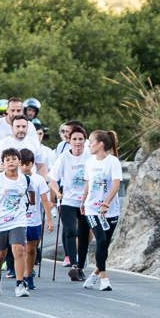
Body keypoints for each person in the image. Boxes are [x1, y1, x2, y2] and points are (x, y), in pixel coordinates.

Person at [0, 148, 34, 297]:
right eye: (7, 159)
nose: (11, 162)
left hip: (18, 220)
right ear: (3, 163)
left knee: (19, 250)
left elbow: (31, 192)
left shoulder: (25, 179)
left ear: (19, 161)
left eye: (14, 159)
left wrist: (32, 202)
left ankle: (20, 284)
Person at [80, 130, 123, 291]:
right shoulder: (89, 162)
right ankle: (104, 278)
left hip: (111, 211)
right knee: (101, 240)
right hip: (92, 209)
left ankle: (94, 274)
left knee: (104, 246)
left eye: (91, 142)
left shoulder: (113, 162)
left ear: (101, 144)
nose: (88, 145)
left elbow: (116, 185)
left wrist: (106, 203)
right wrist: (83, 201)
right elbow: (88, 183)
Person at [48, 125, 90, 280]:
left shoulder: (89, 157)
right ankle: (73, 265)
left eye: (80, 139)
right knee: (71, 231)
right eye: (74, 139)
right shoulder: (64, 157)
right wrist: (58, 193)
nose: (78, 142)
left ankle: (81, 266)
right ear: (69, 141)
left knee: (84, 235)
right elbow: (52, 179)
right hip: (68, 201)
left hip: (86, 202)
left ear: (85, 141)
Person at [19, 149, 53, 290]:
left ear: (33, 164)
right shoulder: (14, 178)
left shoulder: (38, 180)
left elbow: (45, 201)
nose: (25, 167)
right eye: (23, 164)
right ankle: (23, 275)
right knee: (22, 249)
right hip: (19, 221)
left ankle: (29, 274)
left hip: (34, 220)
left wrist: (50, 220)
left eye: (28, 164)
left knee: (32, 249)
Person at [0, 97, 38, 162]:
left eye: (18, 110)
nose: (15, 114)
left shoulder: (30, 126)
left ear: (23, 111)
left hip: (24, 167)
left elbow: (37, 151)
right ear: (7, 110)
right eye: (12, 110)